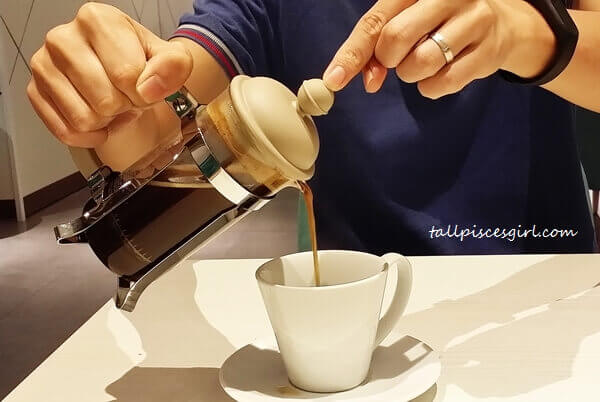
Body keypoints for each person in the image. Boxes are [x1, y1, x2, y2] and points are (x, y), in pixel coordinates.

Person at [26, 0, 600, 255]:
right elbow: (172, 103)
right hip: (360, 295)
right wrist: (119, 98)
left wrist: (528, 32)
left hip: (544, 273)